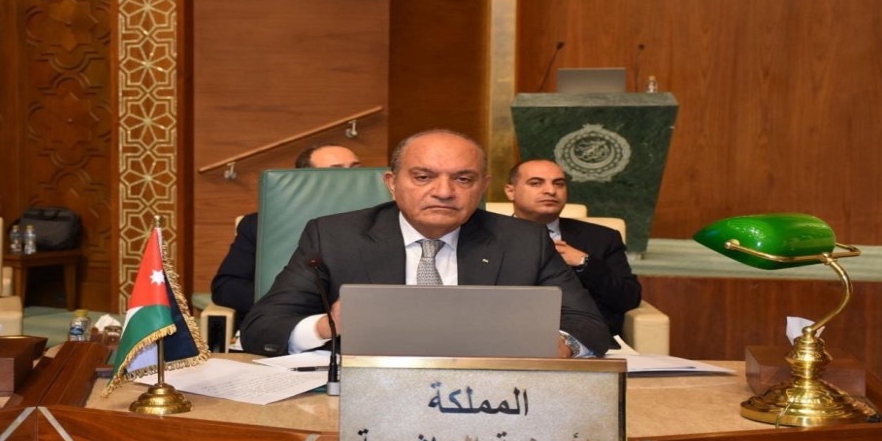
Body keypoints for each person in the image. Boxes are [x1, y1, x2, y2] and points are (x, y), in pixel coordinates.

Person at [240, 129, 612, 358]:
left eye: (463, 179)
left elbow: (588, 324)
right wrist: (328, 326)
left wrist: (563, 344)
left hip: (488, 394)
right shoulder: (335, 236)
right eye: (423, 177)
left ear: (482, 187)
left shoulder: (523, 241)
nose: (444, 192)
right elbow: (262, 327)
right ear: (392, 183)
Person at [210, 144, 361, 325]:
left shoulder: (382, 223)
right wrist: (292, 303)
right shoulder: (261, 224)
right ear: (305, 180)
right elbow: (226, 288)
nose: (353, 178)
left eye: (356, 169)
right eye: (337, 171)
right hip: (278, 325)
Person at [504, 159, 642, 336]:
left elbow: (628, 299)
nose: (551, 190)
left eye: (559, 184)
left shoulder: (602, 238)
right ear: (511, 191)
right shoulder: (485, 236)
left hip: (585, 339)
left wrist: (584, 262)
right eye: (536, 183)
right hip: (505, 335)